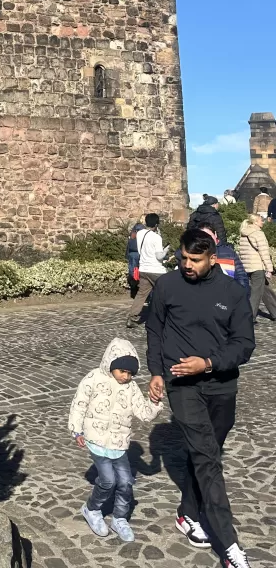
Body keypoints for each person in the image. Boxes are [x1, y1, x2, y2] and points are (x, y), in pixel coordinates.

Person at [146, 229, 254, 568]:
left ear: (211, 258)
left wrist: (208, 363)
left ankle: (187, 512)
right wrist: (156, 372)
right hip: (182, 385)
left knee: (207, 452)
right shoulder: (167, 286)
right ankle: (230, 547)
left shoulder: (233, 293)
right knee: (207, 458)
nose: (186, 264)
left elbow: (244, 344)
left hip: (221, 385)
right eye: (183, 257)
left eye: (195, 260)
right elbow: (155, 329)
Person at [69, 337, 162, 543]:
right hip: (96, 439)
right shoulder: (93, 378)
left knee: (126, 482)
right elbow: (79, 404)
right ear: (111, 365)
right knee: (108, 480)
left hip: (119, 444)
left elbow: (144, 412)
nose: (126, 377)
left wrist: (154, 402)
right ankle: (92, 509)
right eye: (122, 371)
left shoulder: (131, 388)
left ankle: (119, 518)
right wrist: (77, 430)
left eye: (130, 373)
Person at [175, 225, 249, 295]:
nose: (207, 240)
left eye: (209, 236)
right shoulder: (191, 254)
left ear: (215, 234)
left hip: (228, 294)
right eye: (203, 237)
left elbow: (241, 275)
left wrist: (243, 295)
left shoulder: (229, 252)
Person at [126, 213, 168, 328]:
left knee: (141, 294)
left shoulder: (140, 234)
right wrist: (166, 251)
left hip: (143, 269)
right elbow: (159, 256)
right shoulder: (156, 237)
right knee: (166, 293)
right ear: (156, 224)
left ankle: (132, 317)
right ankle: (167, 317)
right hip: (156, 270)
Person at [239, 214, 276, 324]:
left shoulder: (244, 233)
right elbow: (264, 252)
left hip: (248, 266)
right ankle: (250, 317)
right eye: (261, 220)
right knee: (256, 294)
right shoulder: (258, 234)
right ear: (255, 222)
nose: (263, 222)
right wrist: (269, 268)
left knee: (265, 289)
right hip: (257, 266)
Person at [125, 220, 147, 299]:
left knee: (133, 272)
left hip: (133, 255)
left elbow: (129, 246)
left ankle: (134, 288)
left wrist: (127, 255)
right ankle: (139, 289)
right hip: (139, 255)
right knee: (140, 273)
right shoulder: (144, 234)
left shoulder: (133, 234)